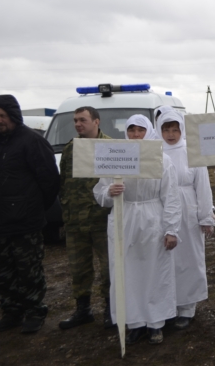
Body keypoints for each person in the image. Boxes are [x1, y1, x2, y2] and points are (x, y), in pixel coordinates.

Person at [93, 115, 181, 345]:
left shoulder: (162, 160)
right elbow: (100, 192)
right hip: (125, 218)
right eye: (131, 131)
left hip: (153, 219)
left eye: (140, 130)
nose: (135, 135)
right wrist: (109, 192)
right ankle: (133, 322)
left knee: (154, 271)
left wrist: (171, 229)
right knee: (127, 272)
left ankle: (155, 323)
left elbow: (171, 197)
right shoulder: (114, 158)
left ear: (149, 132)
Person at [0, 95, 60, 334]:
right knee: (0, 273)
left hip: (25, 223)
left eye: (2, 116)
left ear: (13, 116)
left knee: (29, 272)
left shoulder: (32, 142)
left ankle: (34, 311)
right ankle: (11, 311)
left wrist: (33, 207)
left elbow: (50, 181)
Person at [156, 111, 215, 330]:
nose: (170, 134)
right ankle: (168, 304)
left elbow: (203, 186)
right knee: (166, 260)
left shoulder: (192, 151)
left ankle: (188, 306)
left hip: (187, 210)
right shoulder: (154, 152)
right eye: (166, 129)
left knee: (189, 258)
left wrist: (205, 215)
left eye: (175, 129)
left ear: (182, 130)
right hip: (163, 210)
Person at [58, 106, 114, 330]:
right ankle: (83, 310)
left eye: (82, 120)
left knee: (109, 268)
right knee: (78, 269)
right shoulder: (71, 148)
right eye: (75, 121)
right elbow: (63, 182)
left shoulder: (111, 146)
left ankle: (112, 309)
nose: (78, 124)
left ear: (96, 122)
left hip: (101, 219)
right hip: (75, 220)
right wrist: (66, 211)